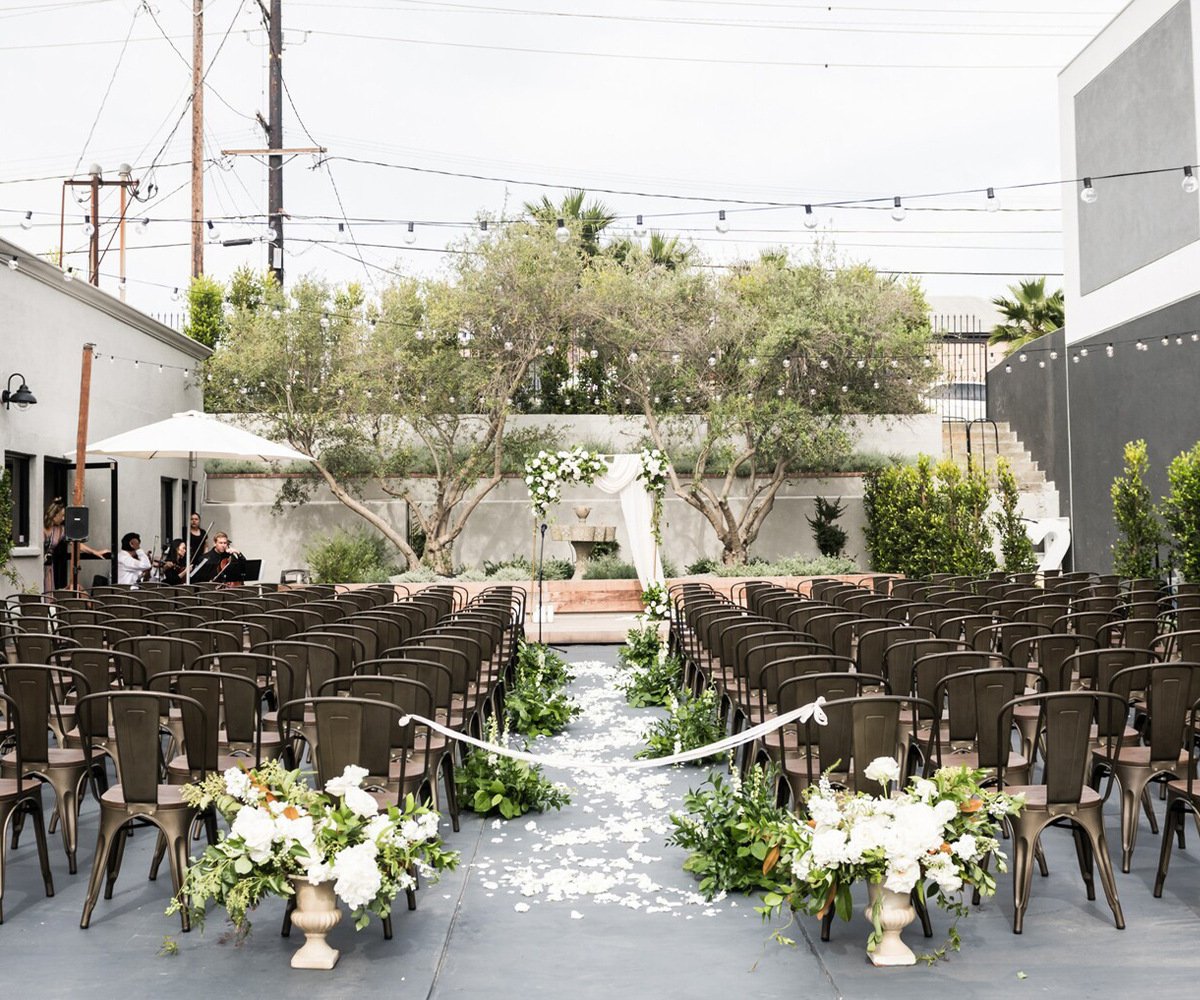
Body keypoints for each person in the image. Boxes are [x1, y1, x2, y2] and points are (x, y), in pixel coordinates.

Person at [42, 499, 110, 593]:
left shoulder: (60, 530)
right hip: (38, 563)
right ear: (54, 515)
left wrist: (95, 552)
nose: (63, 519)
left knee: (48, 589)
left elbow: (76, 544)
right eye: (62, 516)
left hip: (48, 564)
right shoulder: (40, 527)